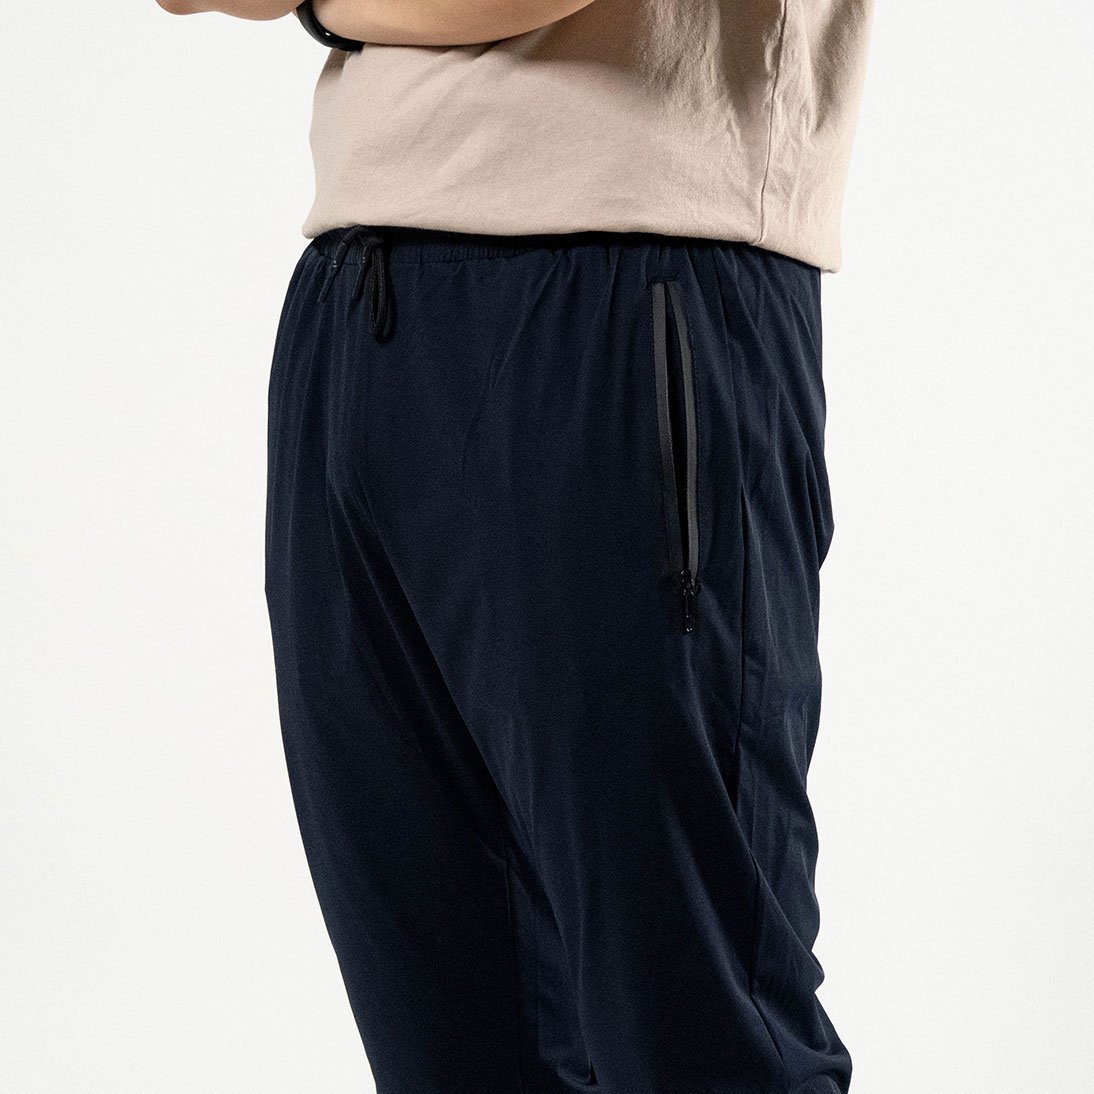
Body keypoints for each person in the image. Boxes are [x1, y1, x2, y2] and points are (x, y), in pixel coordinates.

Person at [160, 2, 875, 1091]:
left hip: (625, 295)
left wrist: (313, 7)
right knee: (451, 1043)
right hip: (357, 303)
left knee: (701, 1036)